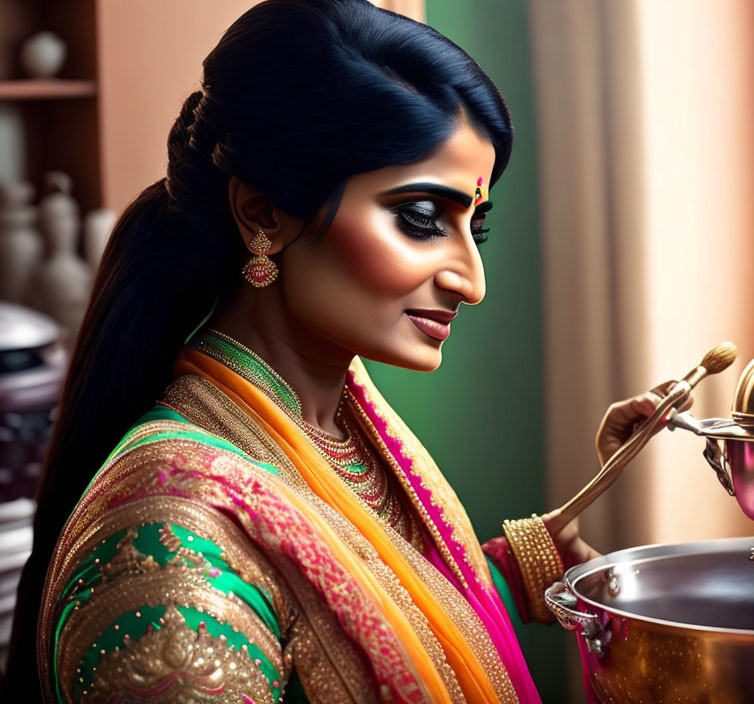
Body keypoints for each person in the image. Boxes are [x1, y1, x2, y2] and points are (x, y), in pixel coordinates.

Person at [3, 2, 680, 701]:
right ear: (263, 213)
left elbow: (360, 623)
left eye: (474, 225)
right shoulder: (173, 542)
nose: (472, 282)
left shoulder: (332, 415)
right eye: (420, 218)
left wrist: (524, 568)